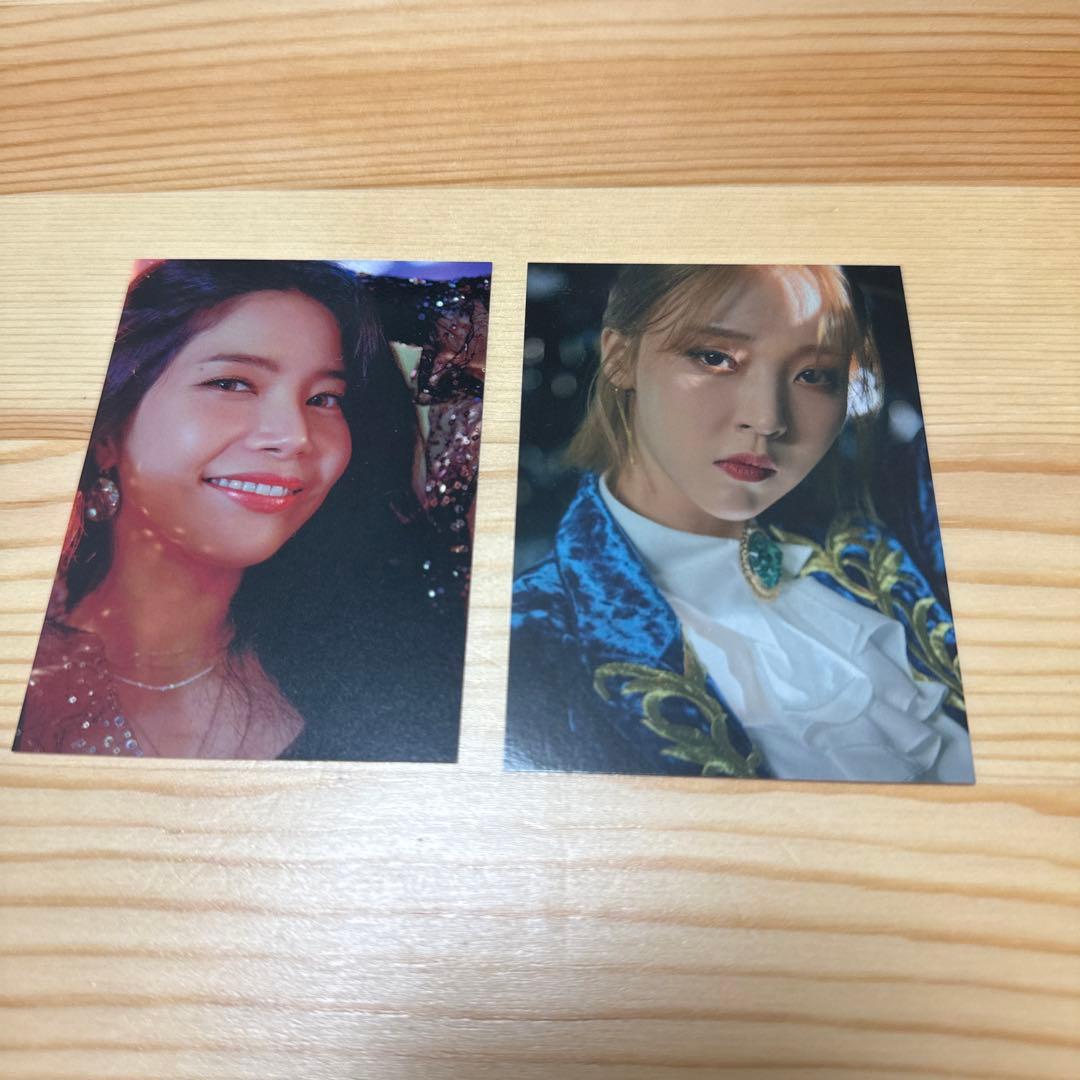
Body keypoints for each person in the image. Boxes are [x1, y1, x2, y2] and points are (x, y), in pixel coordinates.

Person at [506, 264, 973, 783]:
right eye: (715, 357)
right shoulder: (531, 643)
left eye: (814, 375)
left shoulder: (890, 529)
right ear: (620, 357)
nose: (767, 419)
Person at [14, 260, 464, 761]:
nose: (294, 436)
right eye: (231, 384)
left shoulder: (388, 677)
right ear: (106, 433)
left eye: (324, 398)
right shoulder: (24, 660)